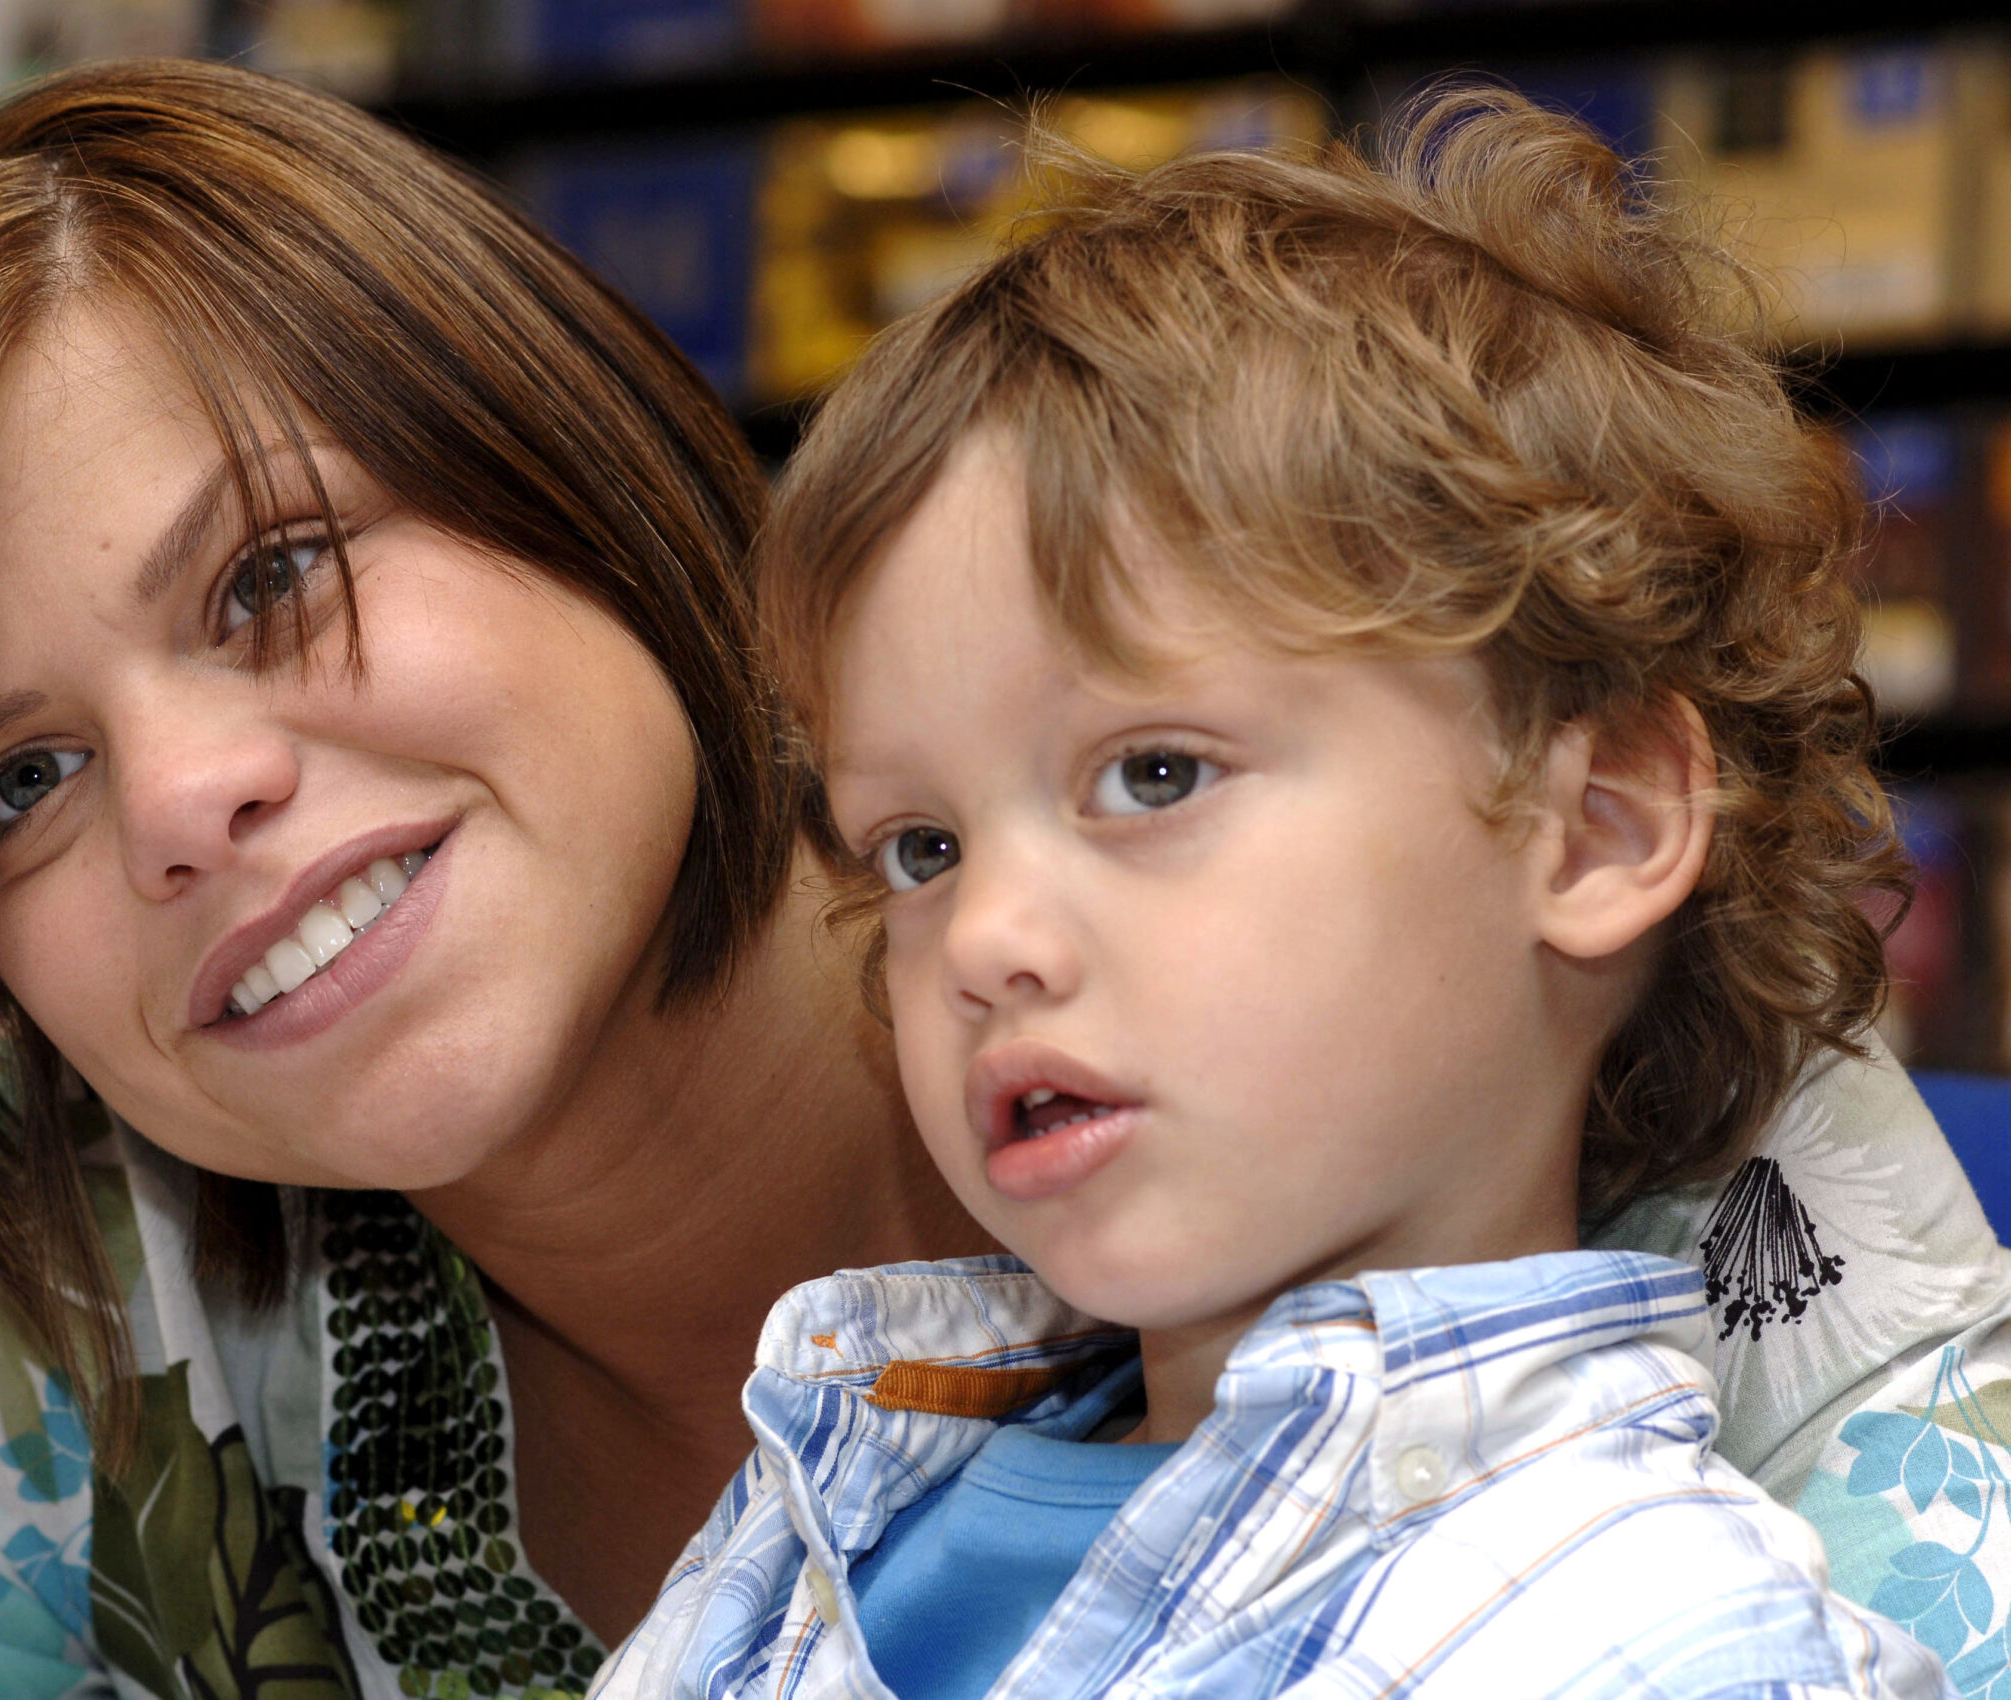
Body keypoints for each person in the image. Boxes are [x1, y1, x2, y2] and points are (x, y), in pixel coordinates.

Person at [0, 60, 2011, 1700]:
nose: (180, 800)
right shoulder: (20, 1250)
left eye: (270, 575)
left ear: (575, 473)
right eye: (9, 786)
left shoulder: (1569, 1044)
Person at [598, 93, 1969, 1700]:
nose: (984, 942)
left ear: (1595, 826)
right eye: (921, 848)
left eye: (1156, 776)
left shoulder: (1659, 1642)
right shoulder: (826, 1488)